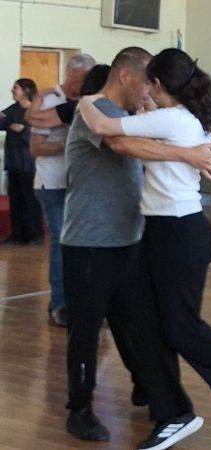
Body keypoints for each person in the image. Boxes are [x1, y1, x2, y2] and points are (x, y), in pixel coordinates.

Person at [78, 47, 211, 425]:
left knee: (179, 326)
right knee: (148, 320)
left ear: (158, 83)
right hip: (164, 230)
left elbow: (102, 127)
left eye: (150, 82)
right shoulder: (177, 118)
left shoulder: (173, 120)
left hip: (179, 232)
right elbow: (139, 132)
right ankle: (169, 407)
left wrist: (85, 98)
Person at [25, 53, 96, 326]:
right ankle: (61, 304)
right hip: (52, 184)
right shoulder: (49, 101)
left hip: (80, 184)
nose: (88, 82)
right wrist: (71, 144)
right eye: (84, 76)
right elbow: (35, 148)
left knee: (82, 245)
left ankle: (79, 301)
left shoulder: (85, 102)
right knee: (62, 244)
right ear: (71, 74)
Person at [0, 79, 42, 245]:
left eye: (16, 88)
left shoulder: (36, 110)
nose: (12, 91)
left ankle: (34, 235)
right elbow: (2, 122)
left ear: (26, 90)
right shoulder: (12, 110)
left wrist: (25, 130)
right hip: (14, 162)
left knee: (30, 199)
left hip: (29, 162)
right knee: (15, 199)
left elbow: (45, 131)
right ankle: (17, 235)